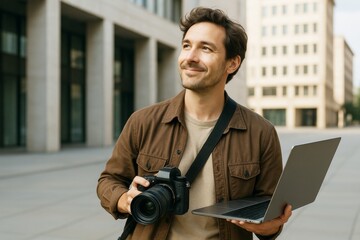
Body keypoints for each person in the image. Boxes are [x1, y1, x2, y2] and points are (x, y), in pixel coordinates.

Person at [97, 7, 292, 240]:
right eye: (187, 46)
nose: (190, 57)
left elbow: (271, 212)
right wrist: (123, 199)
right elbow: (108, 180)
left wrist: (270, 227)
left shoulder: (261, 132)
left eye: (206, 48)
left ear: (232, 63)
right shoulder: (143, 121)